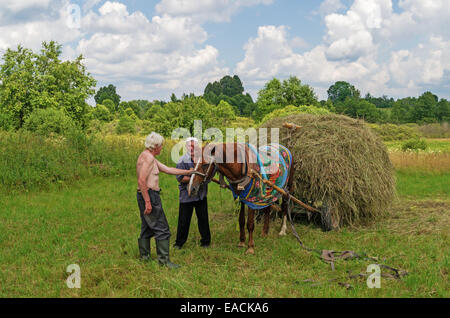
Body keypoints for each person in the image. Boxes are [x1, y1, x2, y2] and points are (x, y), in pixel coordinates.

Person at [136, 132, 193, 269]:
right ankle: (164, 262)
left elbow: (168, 170)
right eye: (161, 146)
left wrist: (187, 172)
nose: (162, 148)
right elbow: (142, 180)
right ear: (155, 146)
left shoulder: (147, 156)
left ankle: (145, 257)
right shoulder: (149, 159)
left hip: (144, 195)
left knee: (146, 227)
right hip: (149, 195)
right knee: (162, 228)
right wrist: (148, 202)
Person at [174, 137, 211, 249]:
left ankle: (206, 242)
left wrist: (200, 178)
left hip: (201, 195)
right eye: (190, 146)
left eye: (194, 146)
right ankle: (179, 243)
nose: (192, 148)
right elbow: (180, 178)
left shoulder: (203, 160)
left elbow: (208, 174)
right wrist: (194, 177)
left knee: (203, 219)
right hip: (187, 195)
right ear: (186, 147)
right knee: (184, 220)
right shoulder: (182, 160)